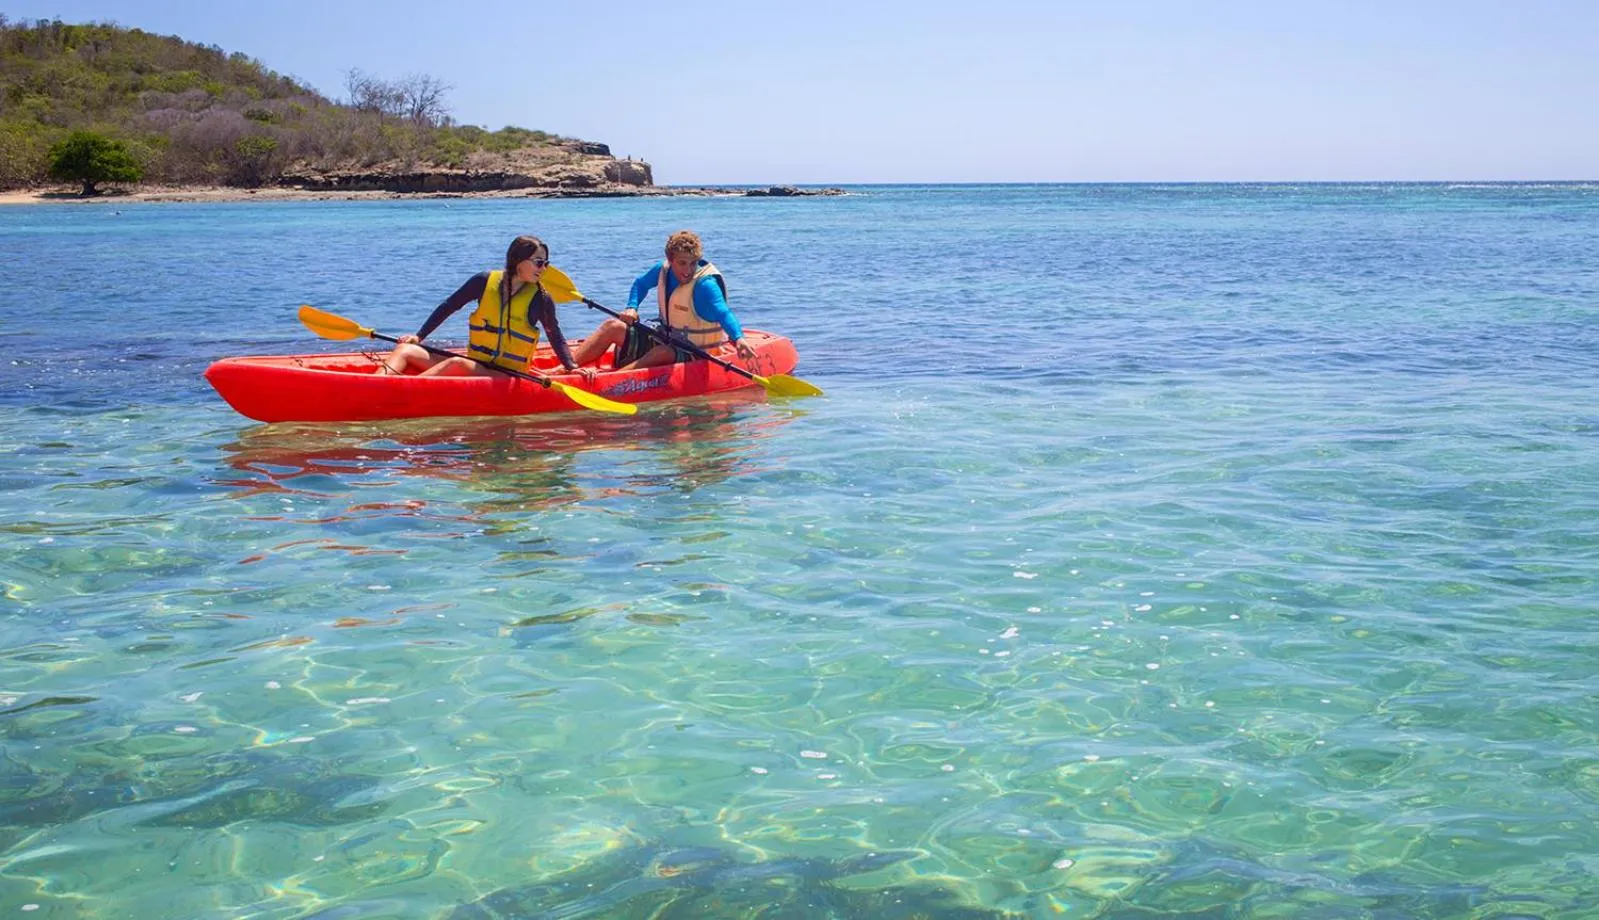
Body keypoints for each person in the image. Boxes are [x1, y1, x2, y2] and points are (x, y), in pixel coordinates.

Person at [382, 235, 601, 382]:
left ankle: (401, 391)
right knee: (406, 350)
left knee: (458, 363)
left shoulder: (541, 298)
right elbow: (449, 306)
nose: (543, 269)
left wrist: (571, 366)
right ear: (518, 261)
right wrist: (419, 336)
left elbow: (555, 334)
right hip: (477, 363)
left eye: (546, 263)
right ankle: (377, 384)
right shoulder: (484, 281)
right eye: (538, 262)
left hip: (507, 376)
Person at [579, 230, 759, 370]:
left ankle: (615, 382)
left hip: (698, 353)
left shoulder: (705, 285)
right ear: (670, 260)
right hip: (666, 338)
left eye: (693, 263)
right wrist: (632, 307)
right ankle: (564, 368)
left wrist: (739, 338)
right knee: (612, 326)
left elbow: (723, 312)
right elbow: (640, 284)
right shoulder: (662, 270)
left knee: (661, 353)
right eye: (682, 263)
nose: (688, 270)